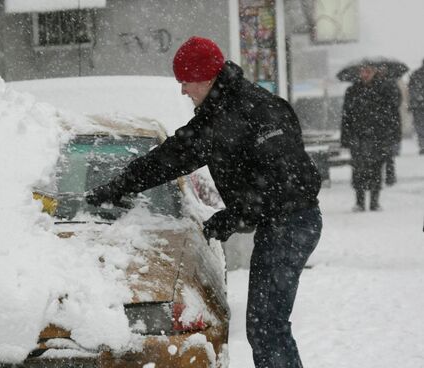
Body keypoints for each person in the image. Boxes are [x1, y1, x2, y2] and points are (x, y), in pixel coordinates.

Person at [86, 36, 322, 368]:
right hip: (283, 222)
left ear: (206, 77)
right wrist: (118, 186)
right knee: (266, 326)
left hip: (293, 223)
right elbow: (171, 156)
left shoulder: (256, 109)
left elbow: (288, 179)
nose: (182, 90)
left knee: (267, 326)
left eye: (186, 81)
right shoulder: (218, 114)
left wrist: (237, 215)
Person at [341, 65, 401, 211]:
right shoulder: (352, 91)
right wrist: (346, 137)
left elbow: (392, 113)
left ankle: (374, 201)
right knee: (358, 169)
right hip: (358, 135)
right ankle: (360, 202)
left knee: (376, 167)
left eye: (368, 71)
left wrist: (391, 134)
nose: (365, 74)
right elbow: (346, 115)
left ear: (375, 72)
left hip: (378, 135)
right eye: (362, 71)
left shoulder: (384, 90)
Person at [408, 59, 424, 155]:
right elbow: (412, 90)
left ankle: (422, 145)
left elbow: (412, 90)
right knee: (420, 127)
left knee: (420, 127)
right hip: (418, 106)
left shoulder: (415, 74)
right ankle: (422, 145)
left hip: (417, 106)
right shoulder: (416, 74)